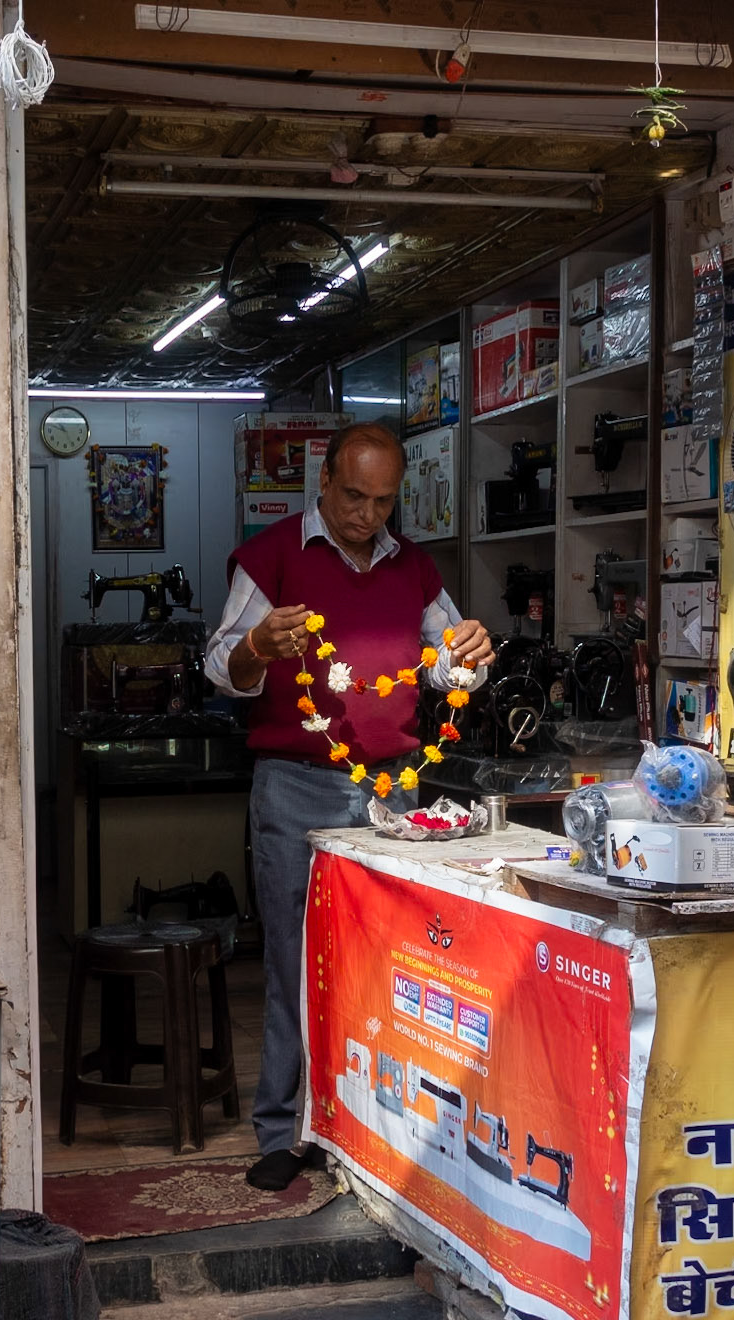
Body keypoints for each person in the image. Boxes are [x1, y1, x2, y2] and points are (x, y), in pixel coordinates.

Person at [205, 422, 494, 1191]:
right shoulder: (273, 557)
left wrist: (468, 659)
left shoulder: (417, 569)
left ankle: (375, 1125)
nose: (368, 515)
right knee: (295, 958)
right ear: (324, 481)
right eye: (354, 497)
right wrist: (257, 649)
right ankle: (283, 1129)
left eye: (384, 502)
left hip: (395, 786)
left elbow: (444, 676)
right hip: (297, 784)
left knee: (391, 957)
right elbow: (218, 664)